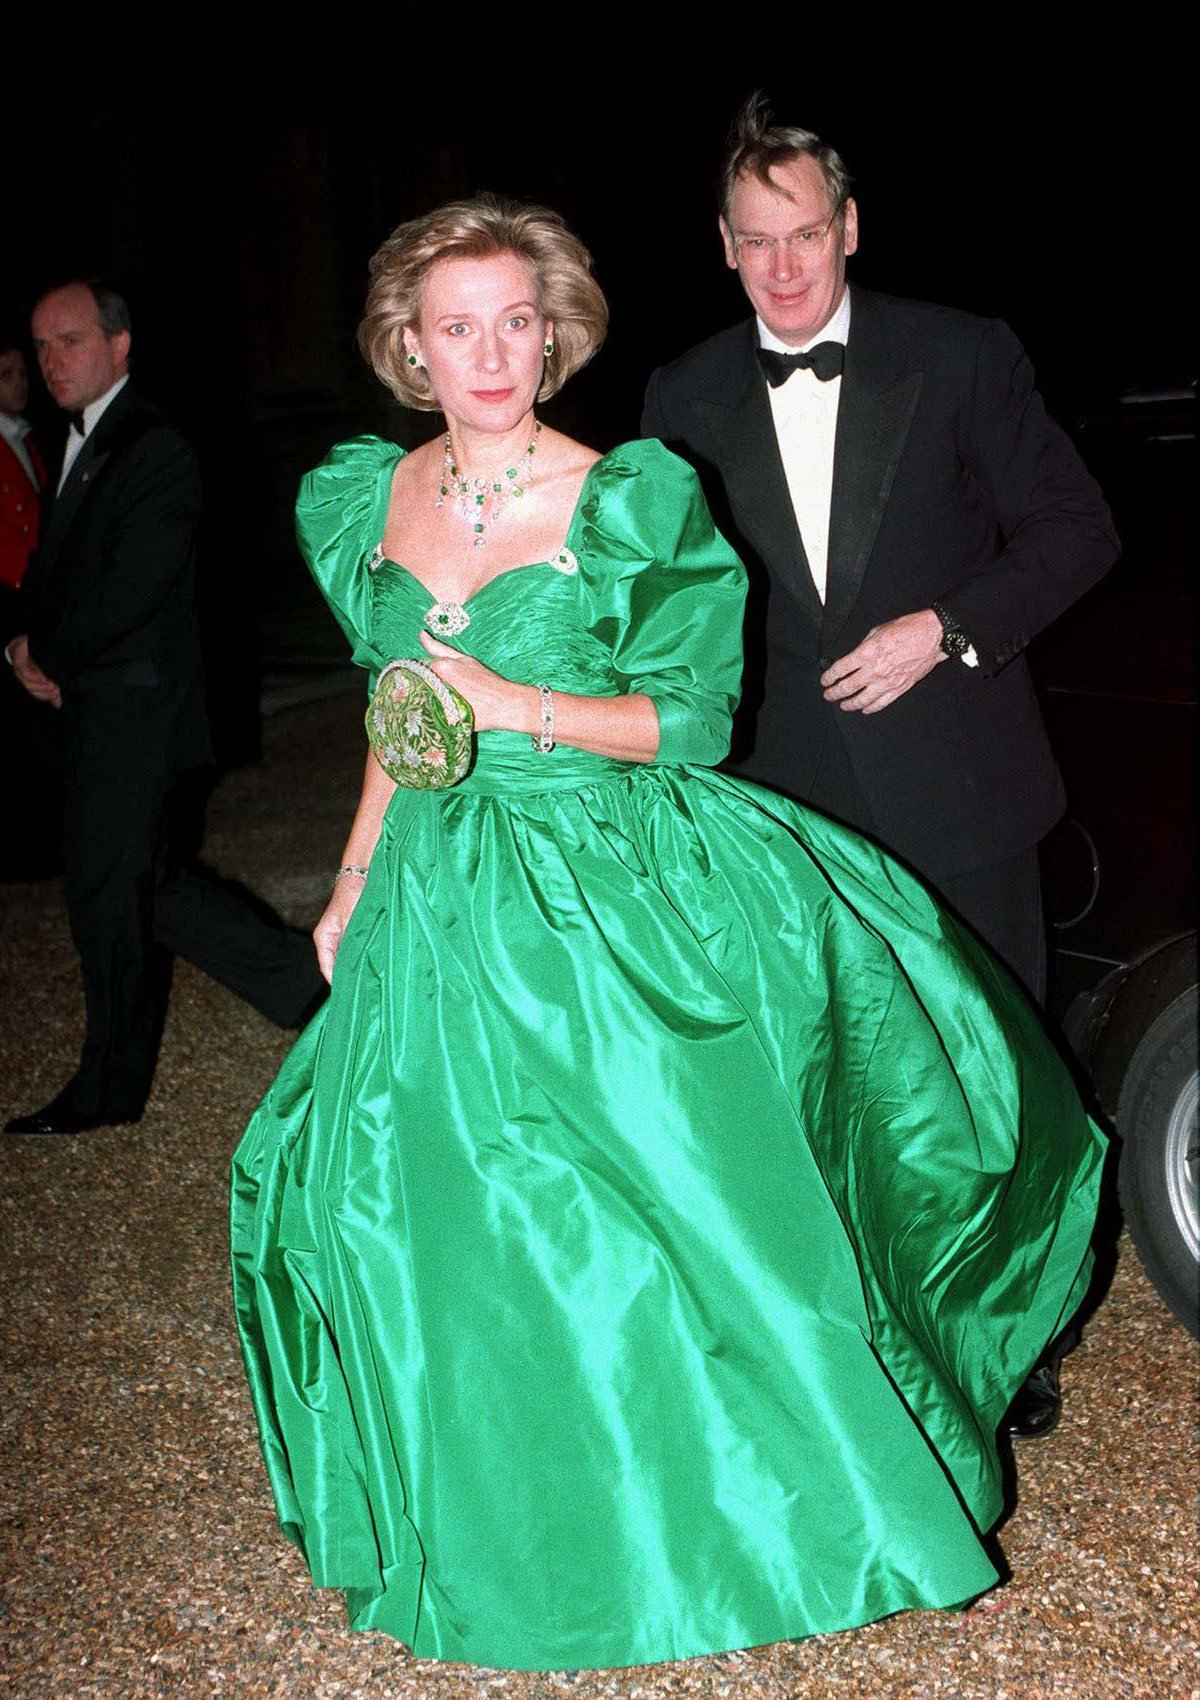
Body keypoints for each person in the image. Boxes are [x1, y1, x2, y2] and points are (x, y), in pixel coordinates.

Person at [230, 196, 1103, 1673]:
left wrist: (521, 712)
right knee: (435, 1202)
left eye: (519, 320)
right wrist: (356, 869)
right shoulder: (365, 498)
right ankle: (505, 1505)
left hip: (601, 883)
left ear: (555, 331)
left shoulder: (629, 495)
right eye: (460, 326)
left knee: (677, 1208)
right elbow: (397, 700)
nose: (494, 350)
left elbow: (691, 725)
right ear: (409, 348)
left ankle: (776, 1514)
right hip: (440, 887)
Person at [641, 96, 1119, 1007]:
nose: (782, 269)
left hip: (963, 798)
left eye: (806, 235)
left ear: (850, 227)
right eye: (757, 241)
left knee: (994, 1086)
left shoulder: (960, 354)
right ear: (725, 244)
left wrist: (943, 628)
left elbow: (1078, 527)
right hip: (781, 817)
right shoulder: (679, 395)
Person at [4, 281, 325, 1139]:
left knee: (111, 892)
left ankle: (108, 1090)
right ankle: (305, 985)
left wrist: (51, 652)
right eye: (40, 347)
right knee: (144, 885)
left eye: (69, 341)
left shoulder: (153, 447)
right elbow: (52, 573)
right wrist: (18, 645)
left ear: (119, 346)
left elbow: (133, 587)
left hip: (137, 711)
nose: (51, 361)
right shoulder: (70, 442)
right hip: (95, 704)